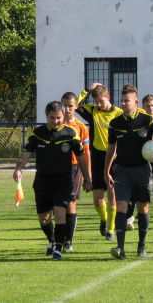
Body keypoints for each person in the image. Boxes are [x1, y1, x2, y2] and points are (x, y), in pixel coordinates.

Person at [13, 101, 92, 261]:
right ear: (46, 116)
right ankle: (51, 239)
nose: (55, 121)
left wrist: (87, 178)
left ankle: (58, 249)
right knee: (44, 218)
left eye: (58, 118)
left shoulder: (71, 134)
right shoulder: (38, 134)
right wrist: (18, 168)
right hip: (42, 181)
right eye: (52, 118)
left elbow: (81, 158)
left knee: (60, 212)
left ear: (63, 116)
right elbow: (26, 153)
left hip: (63, 180)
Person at [105, 85, 153, 259]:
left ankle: (141, 246)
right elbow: (111, 148)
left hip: (142, 170)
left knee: (143, 207)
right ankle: (120, 248)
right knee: (122, 207)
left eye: (127, 100)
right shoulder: (115, 123)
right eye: (122, 100)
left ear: (135, 102)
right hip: (122, 171)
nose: (124, 103)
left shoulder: (147, 121)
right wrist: (106, 171)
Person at [76, 83, 124, 241]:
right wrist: (88, 90)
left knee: (112, 193)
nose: (98, 105)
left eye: (101, 101)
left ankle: (111, 229)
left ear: (108, 98)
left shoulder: (119, 113)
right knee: (98, 199)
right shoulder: (93, 111)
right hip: (97, 157)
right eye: (96, 101)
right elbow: (76, 104)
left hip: (115, 158)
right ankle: (104, 219)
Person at [60, 92, 91, 252]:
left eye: (70, 106)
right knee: (57, 205)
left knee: (71, 203)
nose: (66, 109)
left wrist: (88, 177)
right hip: (57, 168)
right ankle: (56, 239)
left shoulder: (81, 127)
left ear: (76, 106)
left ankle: (68, 242)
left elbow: (86, 153)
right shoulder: (56, 124)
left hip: (74, 168)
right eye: (64, 105)